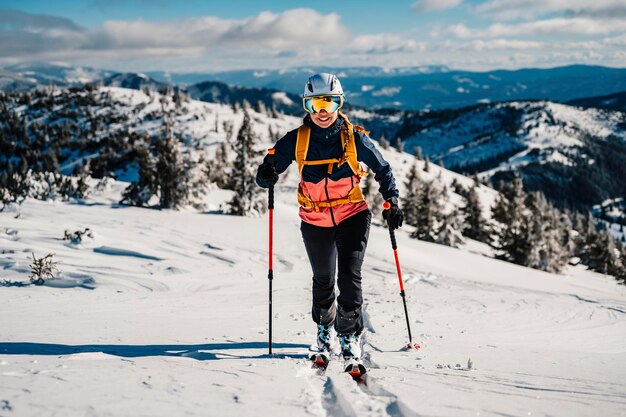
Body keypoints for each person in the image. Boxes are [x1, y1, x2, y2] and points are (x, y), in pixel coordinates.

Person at [256, 73, 403, 367]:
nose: (323, 111)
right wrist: (266, 174)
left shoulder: (353, 139)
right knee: (323, 279)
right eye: (315, 104)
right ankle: (324, 326)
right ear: (306, 106)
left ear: (340, 103)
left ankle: (348, 333)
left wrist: (392, 201)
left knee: (349, 277)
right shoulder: (296, 140)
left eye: (330, 102)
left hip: (352, 215)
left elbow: (383, 169)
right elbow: (268, 171)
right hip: (315, 218)